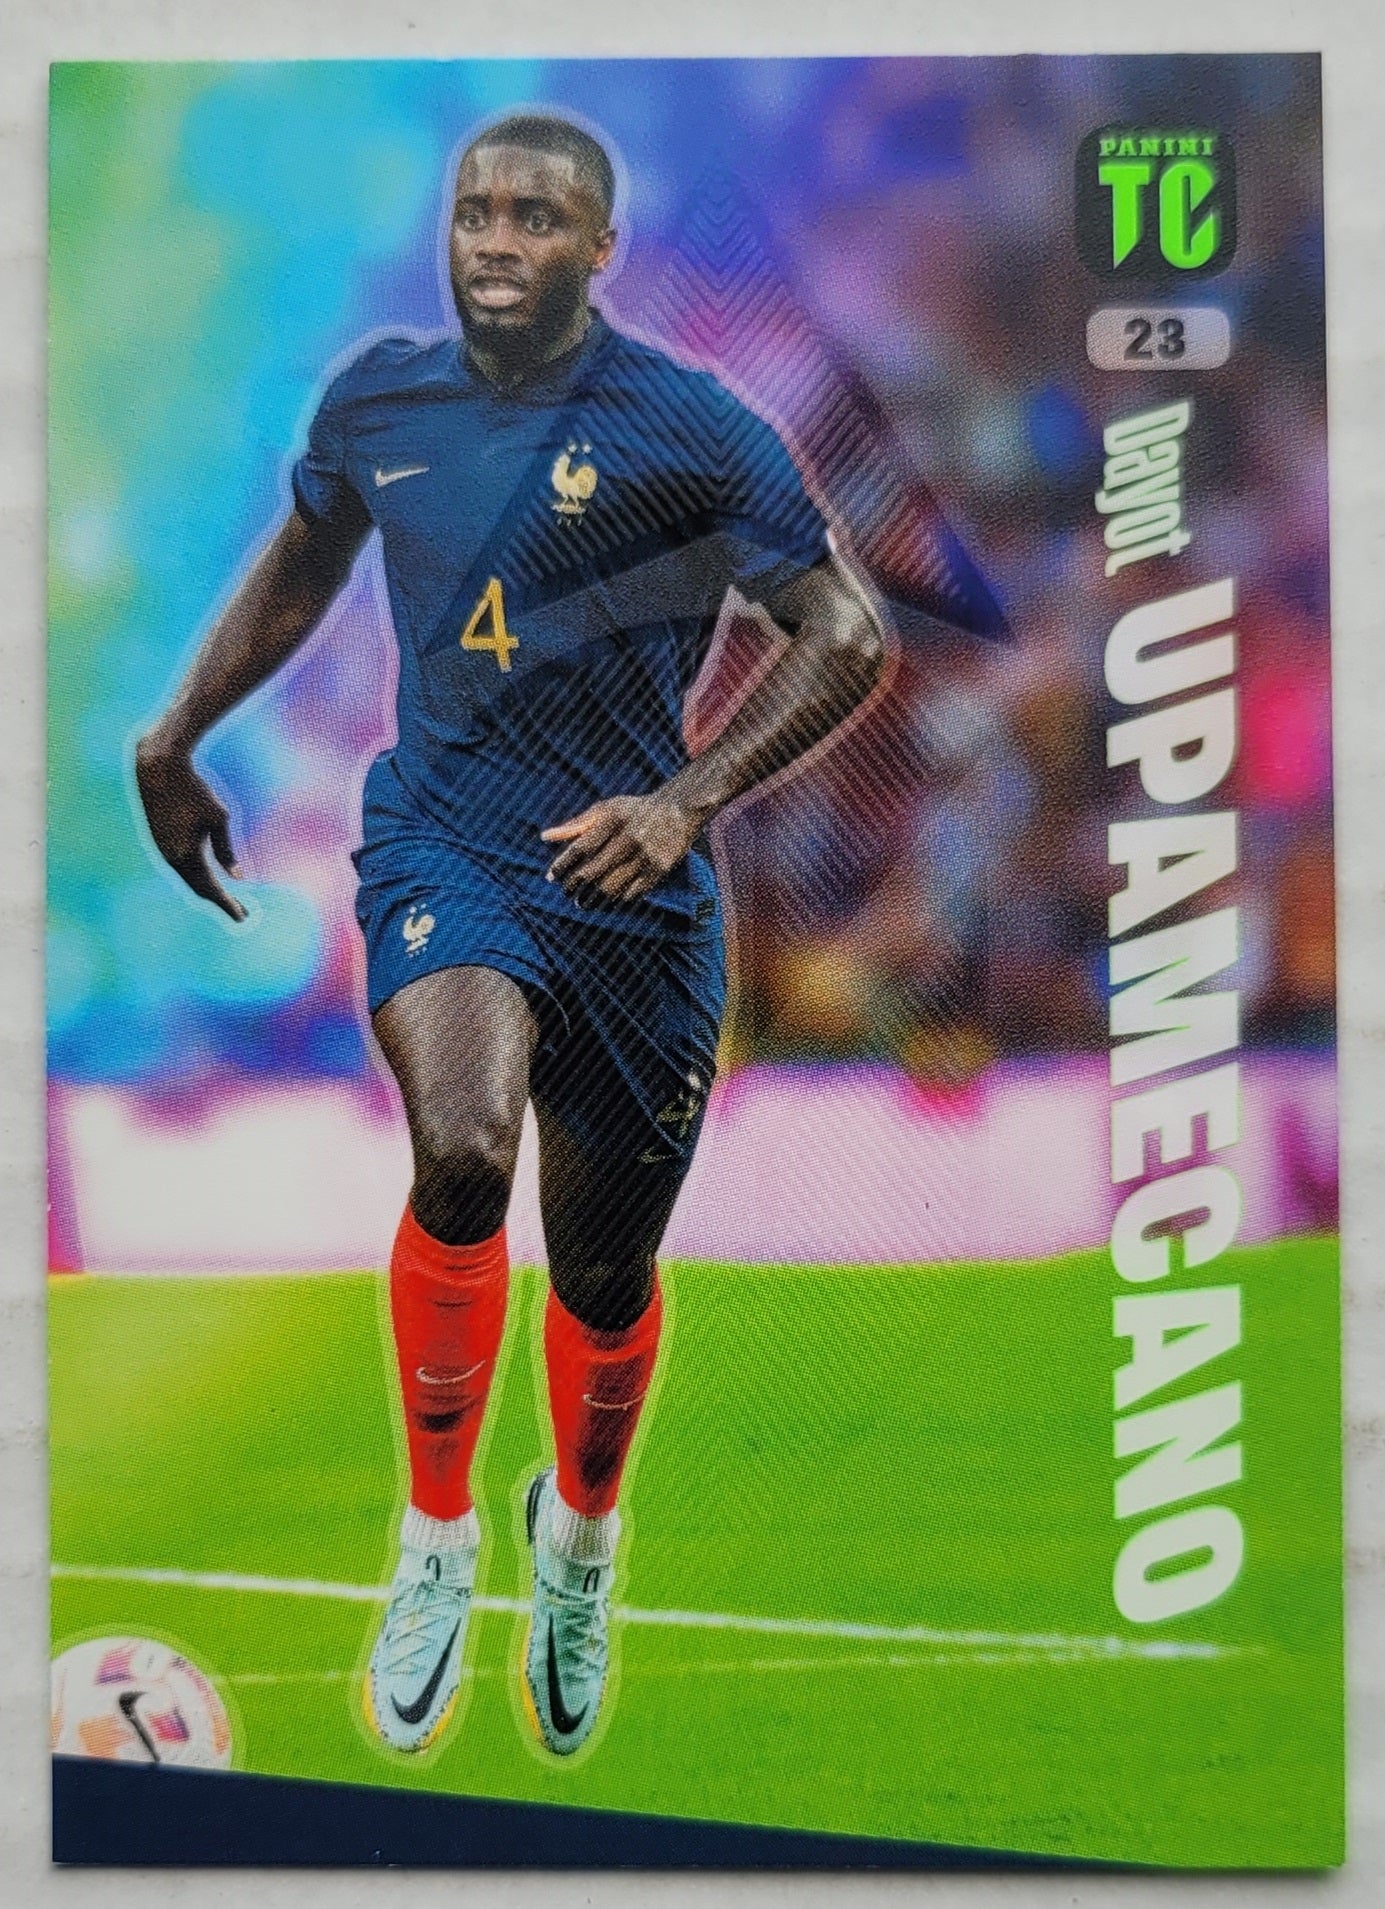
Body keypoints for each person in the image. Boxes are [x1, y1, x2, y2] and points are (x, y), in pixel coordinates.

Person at [134, 113, 885, 1760]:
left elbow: (845, 632)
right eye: (475, 210)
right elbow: (303, 563)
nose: (493, 239)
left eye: (535, 217)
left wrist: (687, 798)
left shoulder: (693, 429)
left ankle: (579, 1543)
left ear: (599, 249)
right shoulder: (380, 403)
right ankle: (434, 1532)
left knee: (603, 1272)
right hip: (447, 841)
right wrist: (176, 728)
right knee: (463, 1151)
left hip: (633, 887)